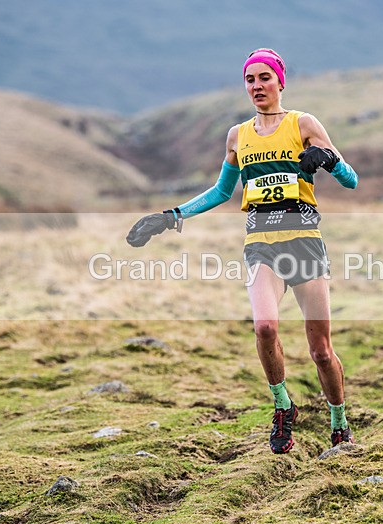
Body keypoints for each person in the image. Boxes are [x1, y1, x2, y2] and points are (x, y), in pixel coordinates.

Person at [126, 48, 359, 453]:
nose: (257, 86)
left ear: (280, 82)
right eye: (250, 80)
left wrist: (328, 160)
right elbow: (221, 192)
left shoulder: (303, 123)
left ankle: (339, 422)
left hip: (303, 239)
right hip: (260, 243)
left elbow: (351, 179)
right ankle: (283, 408)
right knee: (265, 327)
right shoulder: (238, 135)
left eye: (264, 78)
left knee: (320, 350)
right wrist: (170, 216)